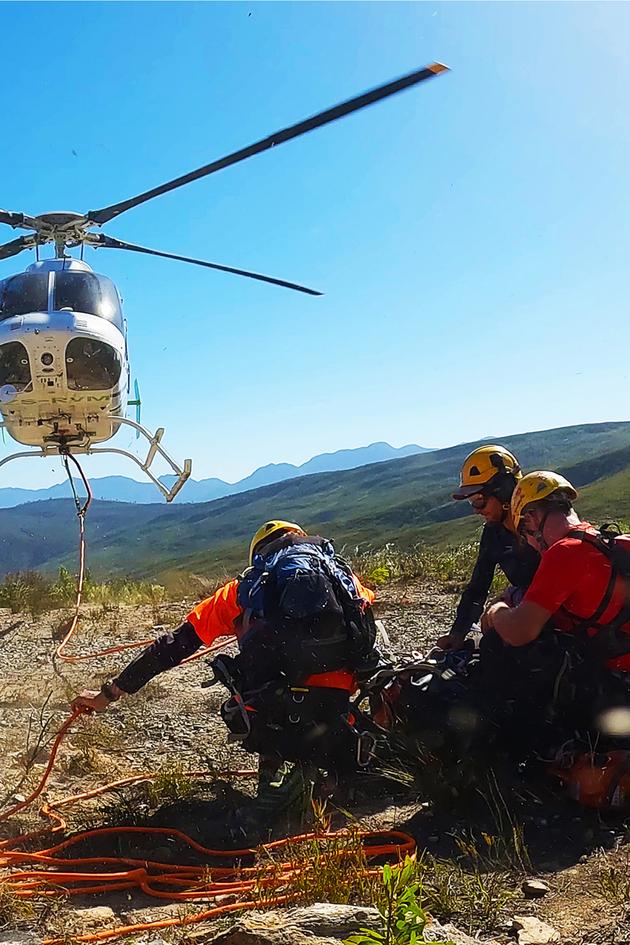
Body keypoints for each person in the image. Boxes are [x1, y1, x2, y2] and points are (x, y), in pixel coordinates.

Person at [71, 519, 378, 801]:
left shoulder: (242, 591)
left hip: (278, 701)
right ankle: (348, 763)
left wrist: (110, 693)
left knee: (241, 700)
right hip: (337, 698)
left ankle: (274, 780)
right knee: (335, 718)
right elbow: (368, 639)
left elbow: (174, 645)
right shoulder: (345, 580)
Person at [481, 471, 630, 742]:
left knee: (497, 645)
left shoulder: (564, 551)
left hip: (613, 685)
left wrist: (497, 610)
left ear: (531, 519)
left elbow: (518, 631)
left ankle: (520, 749)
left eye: (527, 535)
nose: (534, 547)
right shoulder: (609, 542)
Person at [437, 445, 540, 650]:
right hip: (529, 599)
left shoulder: (541, 524)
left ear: (503, 491)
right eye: (472, 503)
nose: (476, 511)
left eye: (479, 501)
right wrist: (458, 633)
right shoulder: (493, 533)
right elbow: (478, 587)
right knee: (490, 625)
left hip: (556, 603)